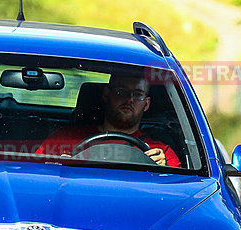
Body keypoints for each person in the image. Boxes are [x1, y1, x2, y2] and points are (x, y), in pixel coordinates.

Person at [35, 71, 181, 167]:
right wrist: (55, 167)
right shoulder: (63, 138)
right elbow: (35, 175)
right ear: (106, 95)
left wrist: (165, 171)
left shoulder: (160, 153)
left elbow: (180, 193)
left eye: (137, 94)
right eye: (121, 91)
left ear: (146, 103)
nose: (129, 99)